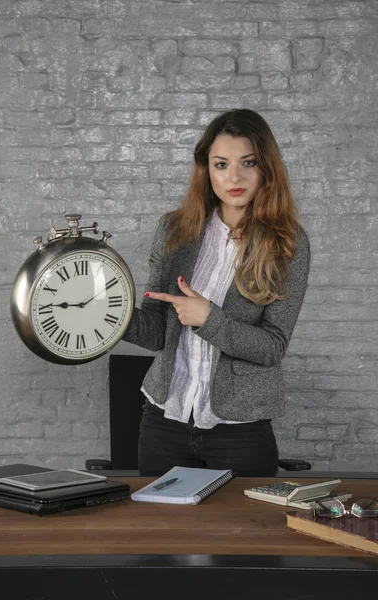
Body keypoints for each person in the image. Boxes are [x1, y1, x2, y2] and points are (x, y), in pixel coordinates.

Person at [122, 108, 310, 476]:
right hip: (164, 419)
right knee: (162, 533)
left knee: (241, 534)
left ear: (266, 168)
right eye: (221, 164)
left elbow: (272, 347)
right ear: (206, 170)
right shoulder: (174, 230)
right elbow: (158, 331)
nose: (234, 177)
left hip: (240, 432)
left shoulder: (288, 244)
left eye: (248, 162)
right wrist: (108, 315)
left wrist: (209, 319)